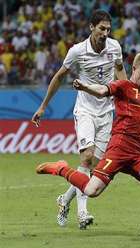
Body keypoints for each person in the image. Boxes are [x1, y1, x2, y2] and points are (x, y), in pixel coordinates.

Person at [35, 52, 140, 241]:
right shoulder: (124, 86)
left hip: (137, 156)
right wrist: (84, 87)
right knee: (92, 191)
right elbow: (102, 90)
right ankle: (61, 168)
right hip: (118, 151)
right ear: (134, 69)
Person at [31, 10, 127, 229]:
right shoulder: (77, 51)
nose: (105, 33)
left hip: (106, 112)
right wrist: (43, 106)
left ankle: (64, 200)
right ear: (91, 27)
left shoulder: (115, 47)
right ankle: (83, 213)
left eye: (108, 29)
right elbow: (59, 77)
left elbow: (120, 72)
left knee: (94, 169)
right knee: (87, 157)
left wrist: (128, 99)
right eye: (101, 28)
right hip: (85, 110)